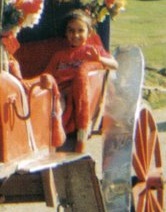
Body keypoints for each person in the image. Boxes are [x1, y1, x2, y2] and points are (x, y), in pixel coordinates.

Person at [46, 9, 118, 152]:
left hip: (78, 93)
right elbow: (48, 74)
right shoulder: (60, 55)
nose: (76, 35)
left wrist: (99, 60)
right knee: (52, 103)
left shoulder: (93, 50)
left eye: (80, 31)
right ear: (66, 33)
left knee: (59, 106)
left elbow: (115, 65)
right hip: (59, 91)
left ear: (89, 32)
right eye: (71, 31)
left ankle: (65, 135)